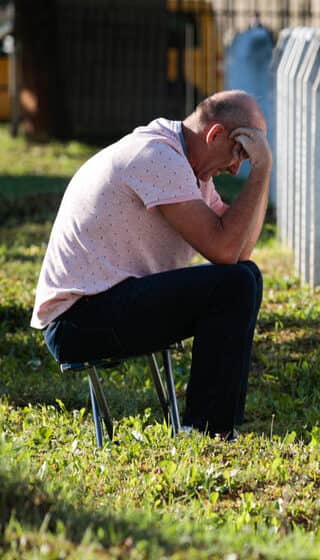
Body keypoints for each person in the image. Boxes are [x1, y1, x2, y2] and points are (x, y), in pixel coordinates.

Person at [31, 90, 272, 440]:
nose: (237, 168)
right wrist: (261, 171)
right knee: (234, 285)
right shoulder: (158, 156)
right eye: (240, 153)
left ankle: (219, 426)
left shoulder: (188, 168)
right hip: (76, 320)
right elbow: (224, 250)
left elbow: (240, 251)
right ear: (216, 134)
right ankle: (207, 430)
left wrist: (261, 171)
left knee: (247, 276)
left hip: (103, 305)